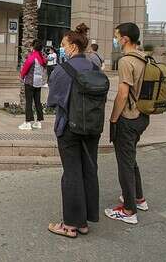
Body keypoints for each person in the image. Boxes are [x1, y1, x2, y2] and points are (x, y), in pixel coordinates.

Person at [46, 23, 101, 238]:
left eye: (63, 45)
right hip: (92, 128)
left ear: (72, 46)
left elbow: (53, 100)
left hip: (69, 128)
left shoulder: (63, 69)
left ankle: (70, 224)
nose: (62, 48)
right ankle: (84, 222)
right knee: (89, 170)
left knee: (71, 174)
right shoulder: (95, 68)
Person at [104, 22, 151, 224]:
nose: (115, 40)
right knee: (130, 157)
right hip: (142, 116)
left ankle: (129, 210)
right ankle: (138, 198)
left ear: (125, 39)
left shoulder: (126, 61)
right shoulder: (144, 58)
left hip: (128, 118)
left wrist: (114, 118)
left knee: (124, 162)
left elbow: (123, 94)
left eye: (117, 36)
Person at [18, 39, 47, 131]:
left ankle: (27, 122)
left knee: (29, 102)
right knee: (37, 102)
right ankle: (38, 121)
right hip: (38, 83)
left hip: (30, 82)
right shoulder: (42, 57)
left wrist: (22, 77)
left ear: (33, 47)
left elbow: (25, 68)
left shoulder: (32, 57)